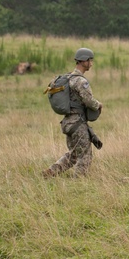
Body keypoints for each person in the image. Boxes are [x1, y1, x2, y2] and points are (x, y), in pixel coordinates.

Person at [43, 47, 103, 178]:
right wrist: (98, 104)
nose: (91, 64)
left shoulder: (68, 78)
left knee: (74, 154)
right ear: (83, 61)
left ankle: (51, 172)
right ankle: (79, 182)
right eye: (89, 60)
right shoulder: (80, 81)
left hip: (68, 122)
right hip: (78, 123)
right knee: (85, 155)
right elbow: (88, 100)